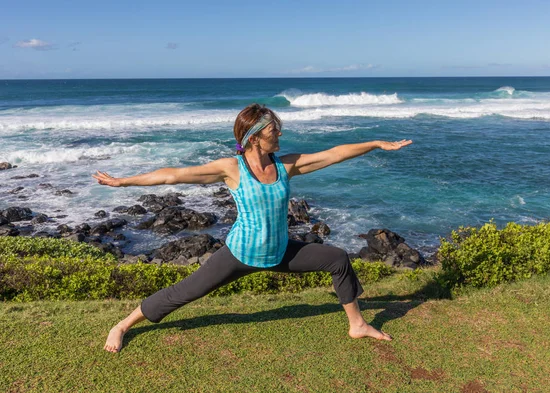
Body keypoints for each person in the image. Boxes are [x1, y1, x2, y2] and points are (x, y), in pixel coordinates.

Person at [94, 103, 412, 353]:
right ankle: (123, 325)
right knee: (184, 293)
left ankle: (357, 325)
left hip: (280, 252)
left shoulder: (285, 165)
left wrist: (374, 143)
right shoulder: (231, 169)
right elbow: (172, 175)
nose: (280, 135)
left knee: (338, 259)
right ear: (255, 136)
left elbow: (332, 154)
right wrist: (123, 181)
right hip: (240, 253)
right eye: (275, 131)